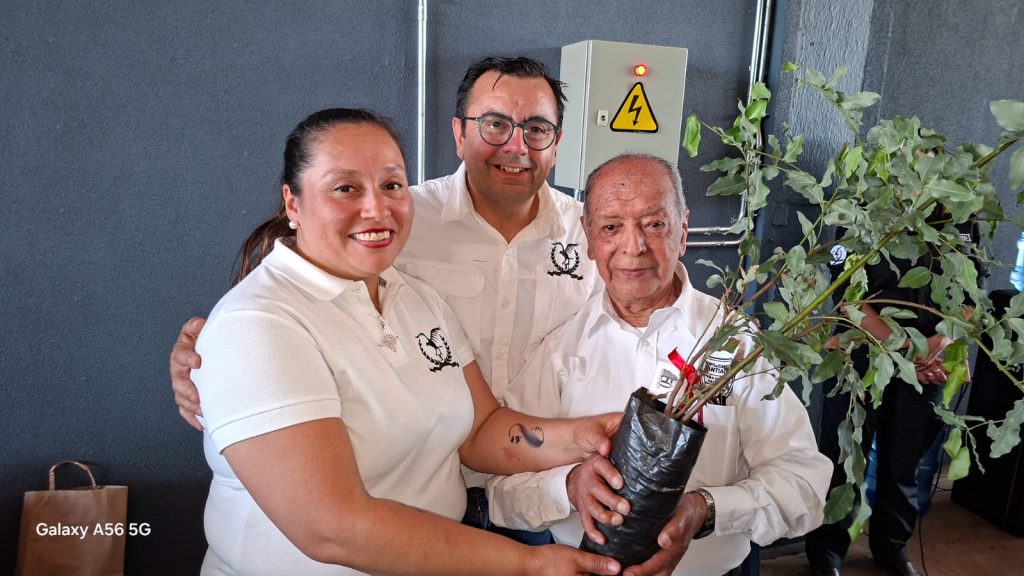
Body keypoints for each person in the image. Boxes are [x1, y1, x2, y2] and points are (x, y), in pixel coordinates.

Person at [171, 56, 597, 543]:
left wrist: (603, 431)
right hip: (416, 518)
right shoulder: (395, 222)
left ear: (557, 143)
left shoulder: (598, 236)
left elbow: (655, 325)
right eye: (495, 124)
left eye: (537, 128)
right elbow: (272, 314)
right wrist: (207, 356)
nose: (516, 145)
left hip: (544, 491)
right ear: (459, 133)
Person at [485, 153, 833, 576]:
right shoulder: (560, 351)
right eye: (612, 227)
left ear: (683, 231)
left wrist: (705, 510)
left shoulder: (734, 340)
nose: (633, 247)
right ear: (590, 240)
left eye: (654, 224)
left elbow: (805, 482)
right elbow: (502, 488)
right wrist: (568, 486)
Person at [805, 200, 983, 576]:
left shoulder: (962, 211)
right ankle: (826, 551)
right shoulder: (858, 205)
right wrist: (907, 350)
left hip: (930, 361)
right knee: (844, 458)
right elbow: (848, 297)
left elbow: (970, 296)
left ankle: (891, 547)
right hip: (863, 356)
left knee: (906, 463)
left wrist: (938, 346)